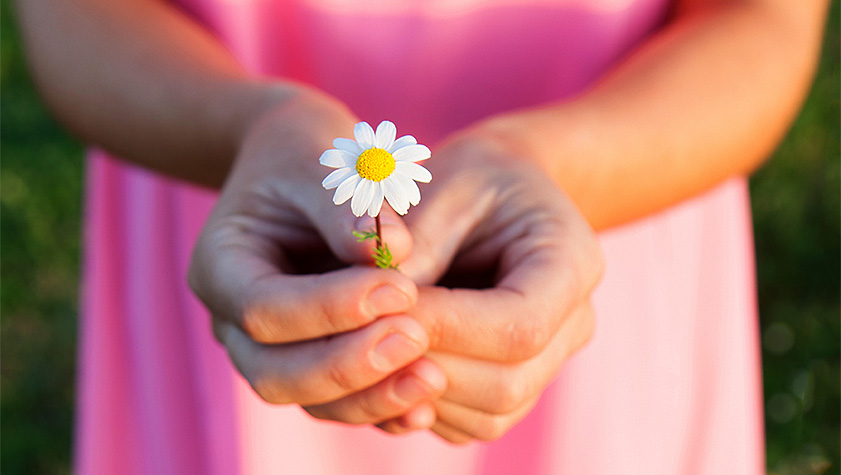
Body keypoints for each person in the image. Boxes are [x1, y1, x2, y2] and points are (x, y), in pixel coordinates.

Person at [17, 0, 828, 473]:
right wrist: (248, 128)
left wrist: (548, 161)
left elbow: (759, 19)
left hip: (601, 205)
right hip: (245, 212)